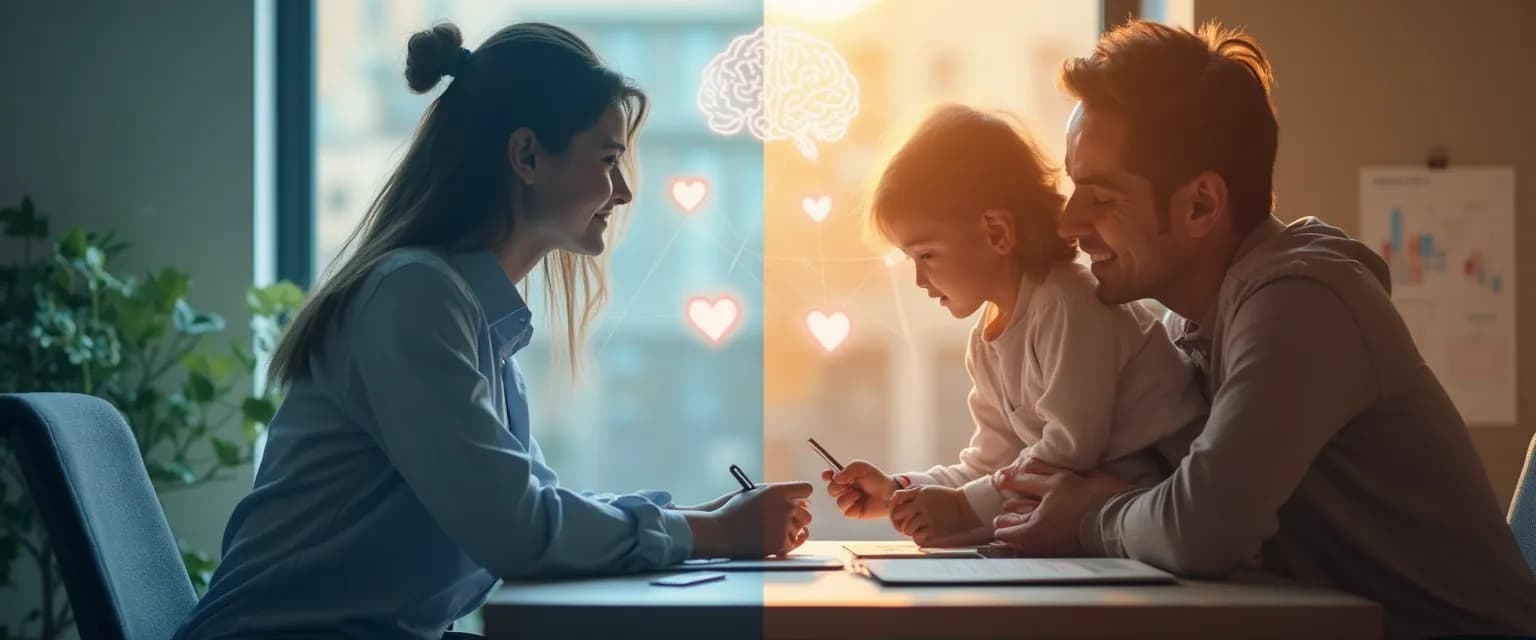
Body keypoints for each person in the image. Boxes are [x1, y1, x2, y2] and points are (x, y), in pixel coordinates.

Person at [173, 22, 811, 639]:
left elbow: (530, 501)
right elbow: (518, 529)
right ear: (528, 156)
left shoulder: (463, 309)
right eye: (608, 159)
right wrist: (717, 535)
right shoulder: (414, 298)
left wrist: (700, 521)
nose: (622, 192)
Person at [991, 20, 1536, 638]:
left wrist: (1092, 516)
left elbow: (1200, 530)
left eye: (1102, 197)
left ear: (1200, 205)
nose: (1068, 224)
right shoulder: (1185, 325)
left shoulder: (1302, 302)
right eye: (1072, 188)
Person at [819, 105, 1206, 548]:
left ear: (996, 232)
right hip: (1104, 495)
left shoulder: (1067, 302)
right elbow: (989, 464)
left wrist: (963, 508)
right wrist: (897, 492)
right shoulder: (987, 342)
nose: (920, 280)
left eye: (926, 255)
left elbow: (1068, 449)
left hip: (1162, 496)